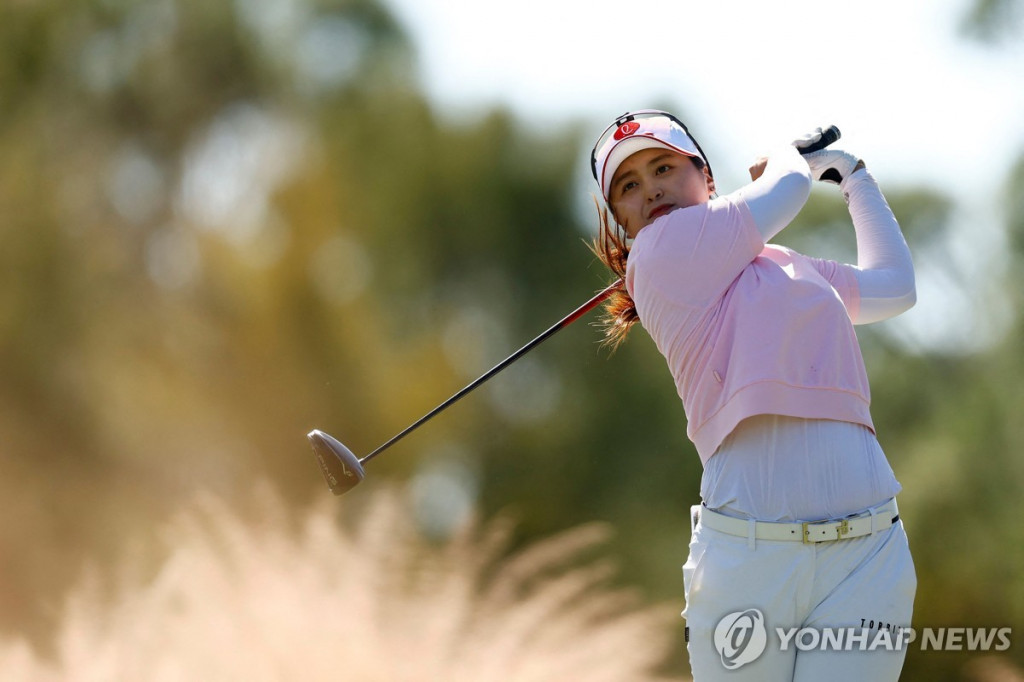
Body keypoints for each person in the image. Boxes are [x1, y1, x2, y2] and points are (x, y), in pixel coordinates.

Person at [588, 110, 917, 681]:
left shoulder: (786, 266)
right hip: (751, 563)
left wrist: (853, 176)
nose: (652, 189)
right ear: (621, 219)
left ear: (706, 178)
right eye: (630, 186)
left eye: (663, 166)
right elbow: (786, 189)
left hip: (864, 556)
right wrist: (793, 158)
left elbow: (894, 288)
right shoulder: (660, 253)